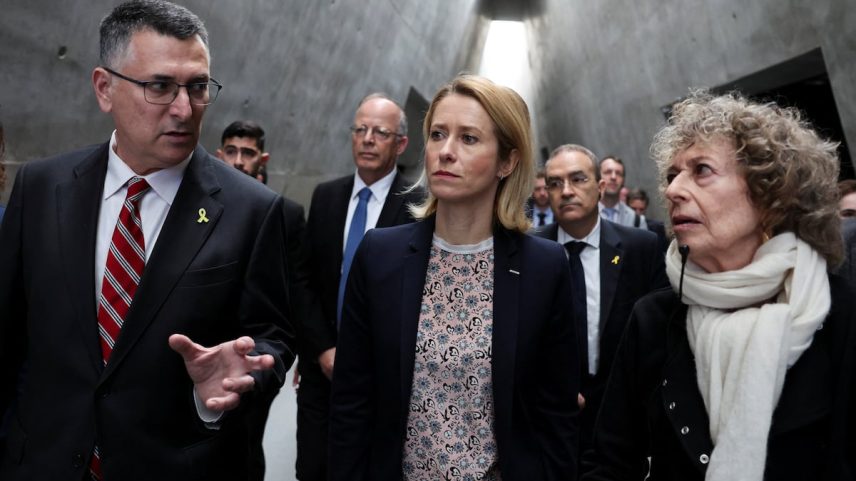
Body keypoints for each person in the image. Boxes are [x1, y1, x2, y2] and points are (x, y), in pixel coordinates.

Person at [0, 2, 294, 479]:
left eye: (197, 87)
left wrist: (235, 379)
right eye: (160, 86)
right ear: (105, 88)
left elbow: (272, 339)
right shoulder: (41, 187)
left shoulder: (254, 212)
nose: (184, 109)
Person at [583, 91, 856, 481]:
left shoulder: (839, 311)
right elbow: (610, 465)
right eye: (672, 176)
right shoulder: (654, 319)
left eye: (702, 170)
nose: (674, 190)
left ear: (770, 195)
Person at [329, 75, 580, 481]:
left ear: (507, 162)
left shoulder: (544, 267)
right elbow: (352, 404)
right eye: (438, 134)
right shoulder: (379, 255)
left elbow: (556, 414)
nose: (445, 152)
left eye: (468, 138)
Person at [297, 92, 423, 481]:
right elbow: (305, 279)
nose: (368, 139)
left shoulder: (418, 206)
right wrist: (320, 348)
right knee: (314, 468)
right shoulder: (326, 196)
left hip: (383, 377)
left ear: (400, 144)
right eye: (360, 130)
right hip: (322, 372)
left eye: (380, 132)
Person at [532, 144, 667, 471]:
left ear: (601, 187)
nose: (566, 191)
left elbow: (659, 337)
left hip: (621, 425)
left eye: (578, 179)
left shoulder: (641, 248)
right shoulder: (527, 252)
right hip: (547, 427)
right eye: (555, 183)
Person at [216, 120, 308, 481]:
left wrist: (290, 354)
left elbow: (297, 288)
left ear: (262, 159)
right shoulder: (200, 205)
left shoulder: (286, 213)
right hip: (209, 348)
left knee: (246, 444)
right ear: (220, 155)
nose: (238, 161)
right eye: (232, 151)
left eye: (247, 152)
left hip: (258, 353)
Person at [598, 155, 648, 229]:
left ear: (623, 181)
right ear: (598, 177)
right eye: (608, 172)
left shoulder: (637, 221)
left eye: (618, 173)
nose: (613, 177)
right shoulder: (584, 214)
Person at [627, 188, 668, 252]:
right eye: (633, 209)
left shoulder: (657, 228)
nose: (637, 213)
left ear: (646, 208)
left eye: (641, 209)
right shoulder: (619, 226)